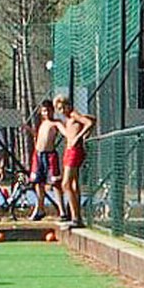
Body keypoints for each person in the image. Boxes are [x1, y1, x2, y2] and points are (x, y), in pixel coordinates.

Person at [54, 95, 95, 227]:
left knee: (66, 183)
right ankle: (77, 217)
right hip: (69, 150)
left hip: (75, 150)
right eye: (59, 109)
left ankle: (75, 217)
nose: (62, 111)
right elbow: (93, 119)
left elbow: (89, 123)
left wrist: (79, 137)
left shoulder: (74, 114)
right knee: (73, 183)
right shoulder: (69, 118)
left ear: (68, 105)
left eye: (63, 107)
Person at [26, 100, 65, 221]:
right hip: (38, 155)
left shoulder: (56, 123)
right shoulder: (42, 124)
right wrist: (30, 130)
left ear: (53, 111)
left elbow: (64, 132)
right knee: (38, 182)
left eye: (49, 110)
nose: (46, 113)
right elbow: (38, 138)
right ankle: (40, 209)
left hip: (50, 156)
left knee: (55, 183)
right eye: (44, 111)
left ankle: (62, 211)